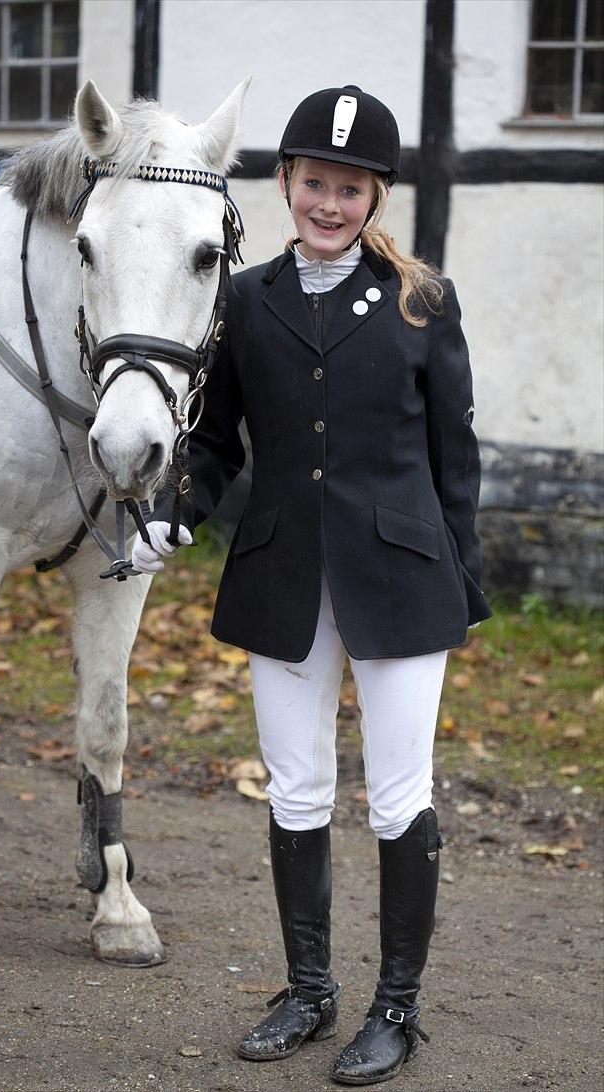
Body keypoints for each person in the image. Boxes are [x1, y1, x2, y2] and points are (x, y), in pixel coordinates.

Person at [131, 85, 492, 1087]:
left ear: (374, 195)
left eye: (349, 187)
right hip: (283, 575)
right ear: (284, 181)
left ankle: (395, 1008)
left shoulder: (424, 300)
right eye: (312, 183)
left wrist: (462, 580)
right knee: (294, 791)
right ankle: (308, 990)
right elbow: (212, 439)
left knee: (395, 797)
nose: (327, 203)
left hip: (401, 580)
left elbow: (452, 457)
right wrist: (174, 511)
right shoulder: (243, 299)